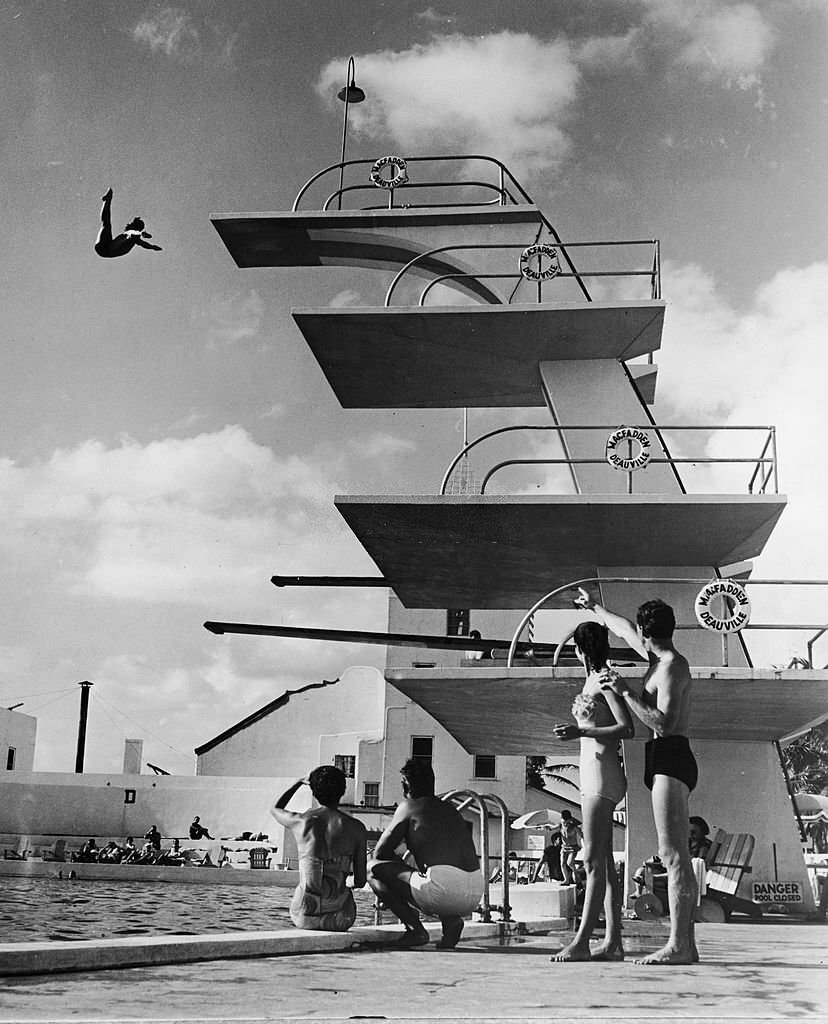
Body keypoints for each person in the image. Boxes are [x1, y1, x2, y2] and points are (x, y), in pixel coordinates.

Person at [576, 588, 699, 965]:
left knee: (674, 854)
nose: (635, 638)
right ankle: (684, 944)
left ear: (649, 636)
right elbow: (624, 627)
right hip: (662, 758)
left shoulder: (671, 667)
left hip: (671, 753)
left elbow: (663, 723)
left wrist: (627, 692)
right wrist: (595, 608)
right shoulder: (656, 656)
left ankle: (680, 945)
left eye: (640, 635)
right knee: (672, 852)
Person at [549, 621, 634, 961]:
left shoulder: (603, 679)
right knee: (605, 867)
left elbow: (626, 727)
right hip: (592, 774)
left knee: (592, 862)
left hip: (602, 775)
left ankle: (582, 941)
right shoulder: (592, 678)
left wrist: (579, 733)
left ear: (580, 649)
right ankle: (613, 942)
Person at [367, 758, 484, 949]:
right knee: (434, 878)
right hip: (475, 892)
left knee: (371, 868)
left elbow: (379, 853)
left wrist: (401, 860)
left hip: (443, 890)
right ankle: (449, 920)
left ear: (406, 784)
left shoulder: (409, 806)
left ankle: (415, 929)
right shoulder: (450, 809)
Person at [271, 765, 367, 932]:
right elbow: (360, 881)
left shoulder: (300, 822)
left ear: (313, 792)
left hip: (304, 916)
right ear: (343, 791)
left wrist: (298, 783)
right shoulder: (356, 828)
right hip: (341, 917)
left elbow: (275, 809)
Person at [94, 188, 162, 258]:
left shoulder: (136, 239)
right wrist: (141, 234)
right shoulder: (130, 233)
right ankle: (107, 200)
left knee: (106, 224)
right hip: (105, 248)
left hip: (105, 248)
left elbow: (144, 244)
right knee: (106, 224)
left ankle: (107, 200)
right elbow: (132, 233)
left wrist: (153, 247)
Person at [558, 810, 583, 886]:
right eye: (563, 821)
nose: (564, 823)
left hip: (573, 847)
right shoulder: (560, 825)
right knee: (562, 863)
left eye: (566, 821)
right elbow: (551, 828)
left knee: (569, 863)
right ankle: (566, 880)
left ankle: (575, 872)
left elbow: (582, 835)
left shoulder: (574, 827)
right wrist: (546, 827)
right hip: (564, 847)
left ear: (570, 820)